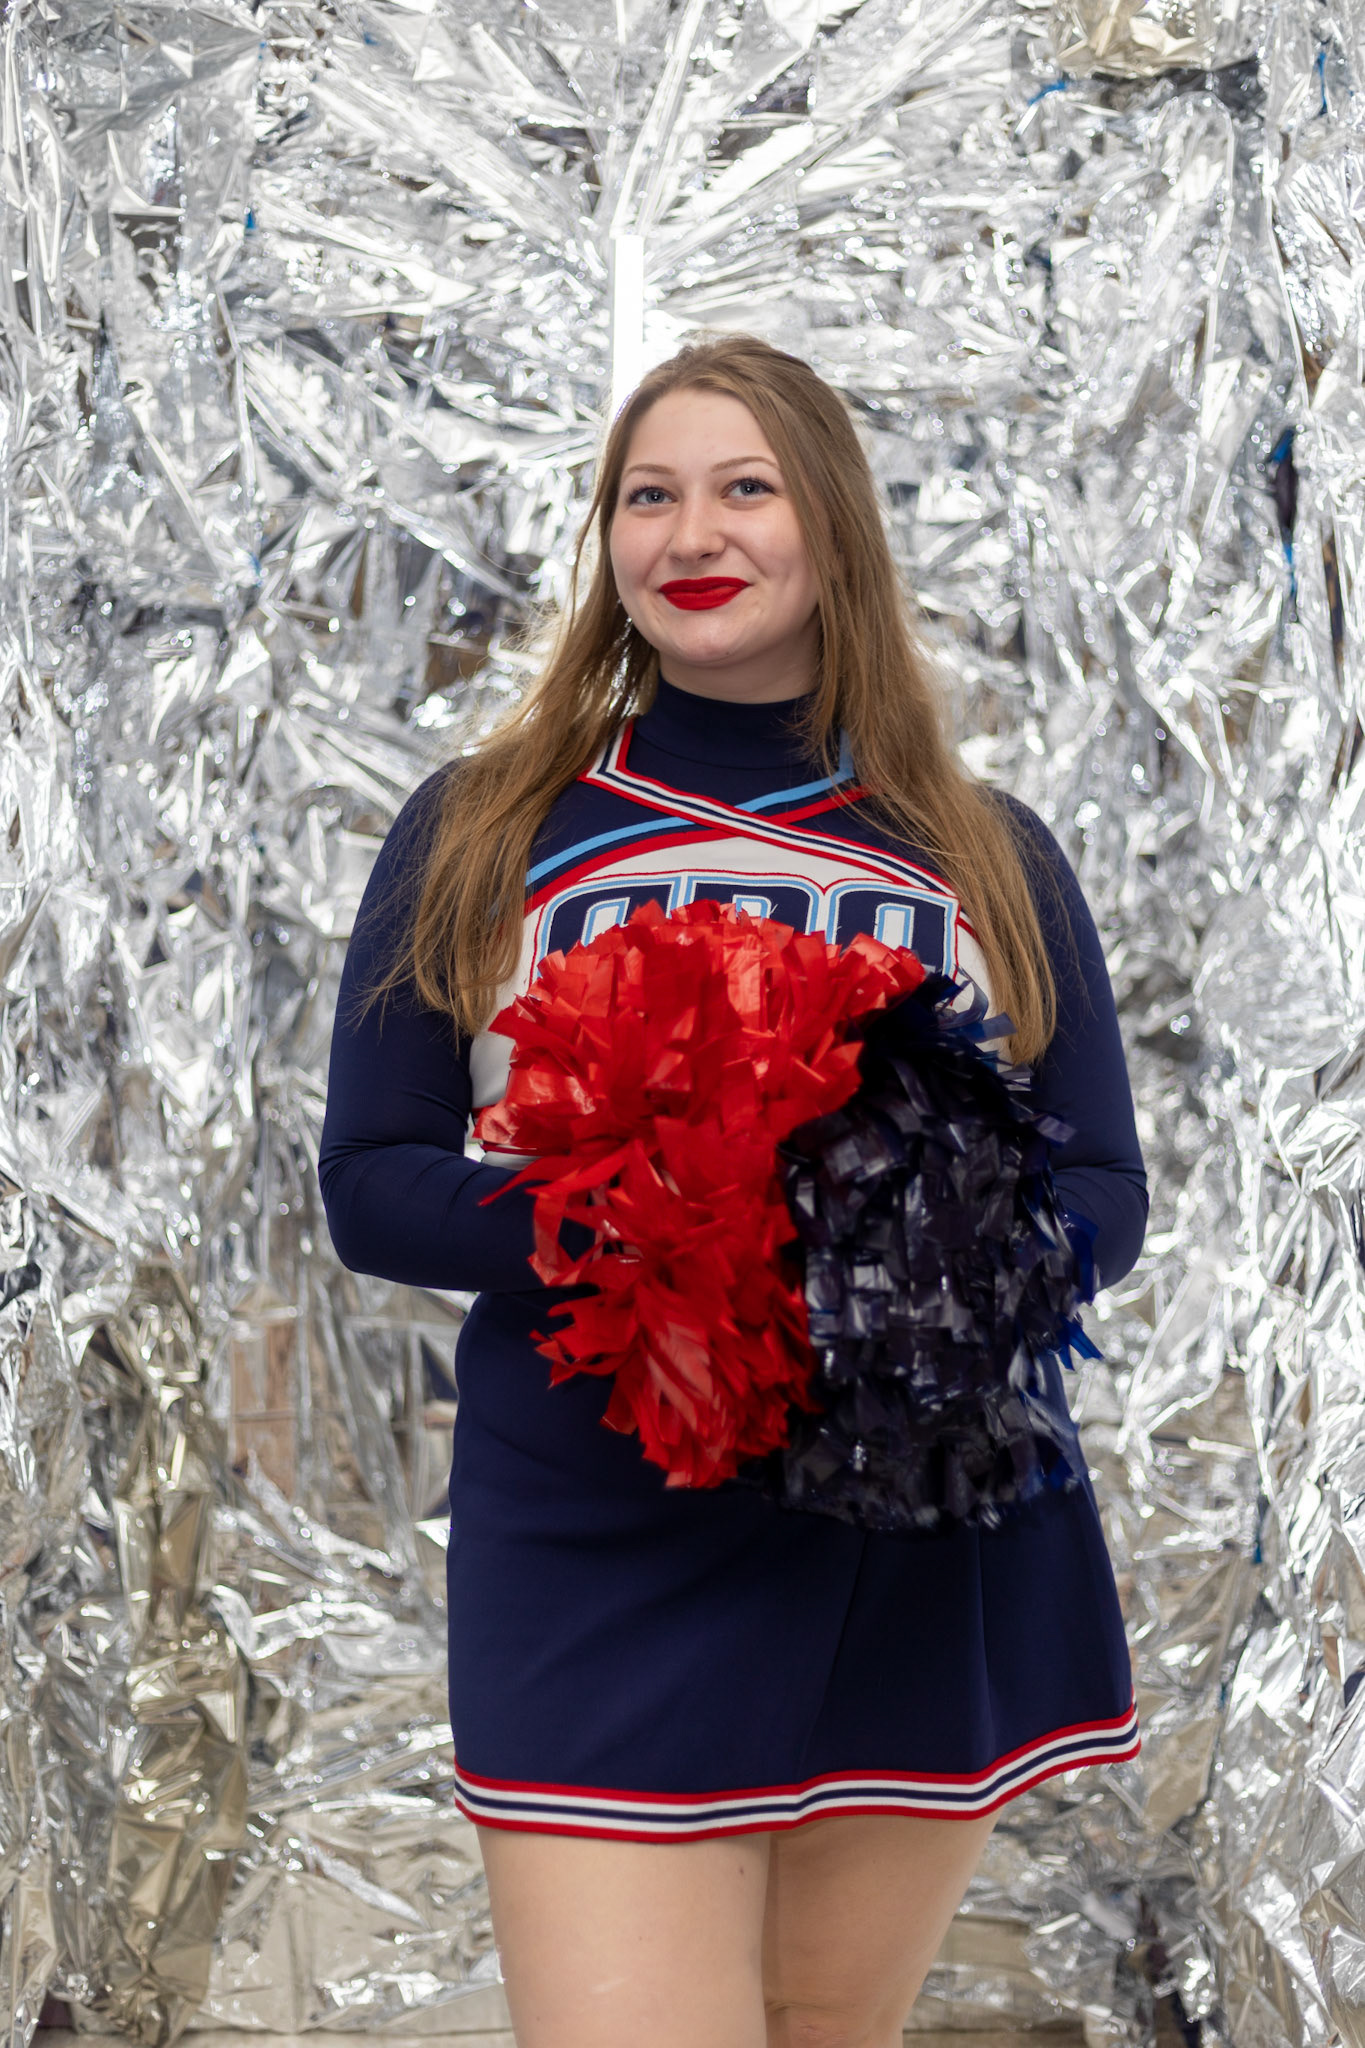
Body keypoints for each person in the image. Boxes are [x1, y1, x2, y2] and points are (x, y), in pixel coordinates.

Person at [319, 334, 1147, 2048]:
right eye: (648, 494)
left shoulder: (982, 850)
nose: (690, 529)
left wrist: (900, 1240)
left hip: (918, 1542)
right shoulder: (488, 829)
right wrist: (652, 1235)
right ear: (609, 541)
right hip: (600, 1531)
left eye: (744, 485)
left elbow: (1104, 1195)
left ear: (830, 527)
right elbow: (373, 1183)